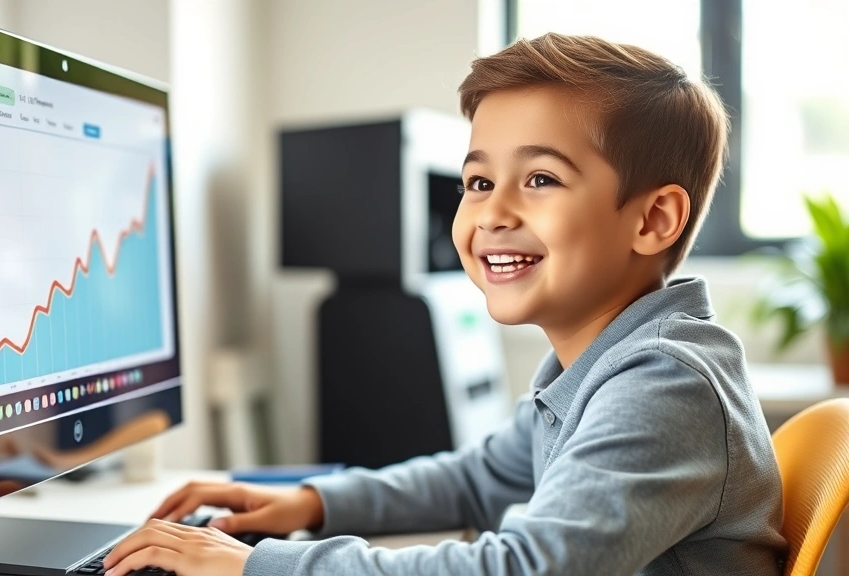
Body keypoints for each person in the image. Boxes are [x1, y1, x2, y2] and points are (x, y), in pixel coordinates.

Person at [103, 33, 787, 576]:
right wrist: (311, 501)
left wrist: (262, 567)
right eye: (479, 180)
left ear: (653, 220)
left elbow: (524, 568)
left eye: (541, 178)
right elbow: (482, 478)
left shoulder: (665, 385)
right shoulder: (595, 365)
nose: (492, 213)